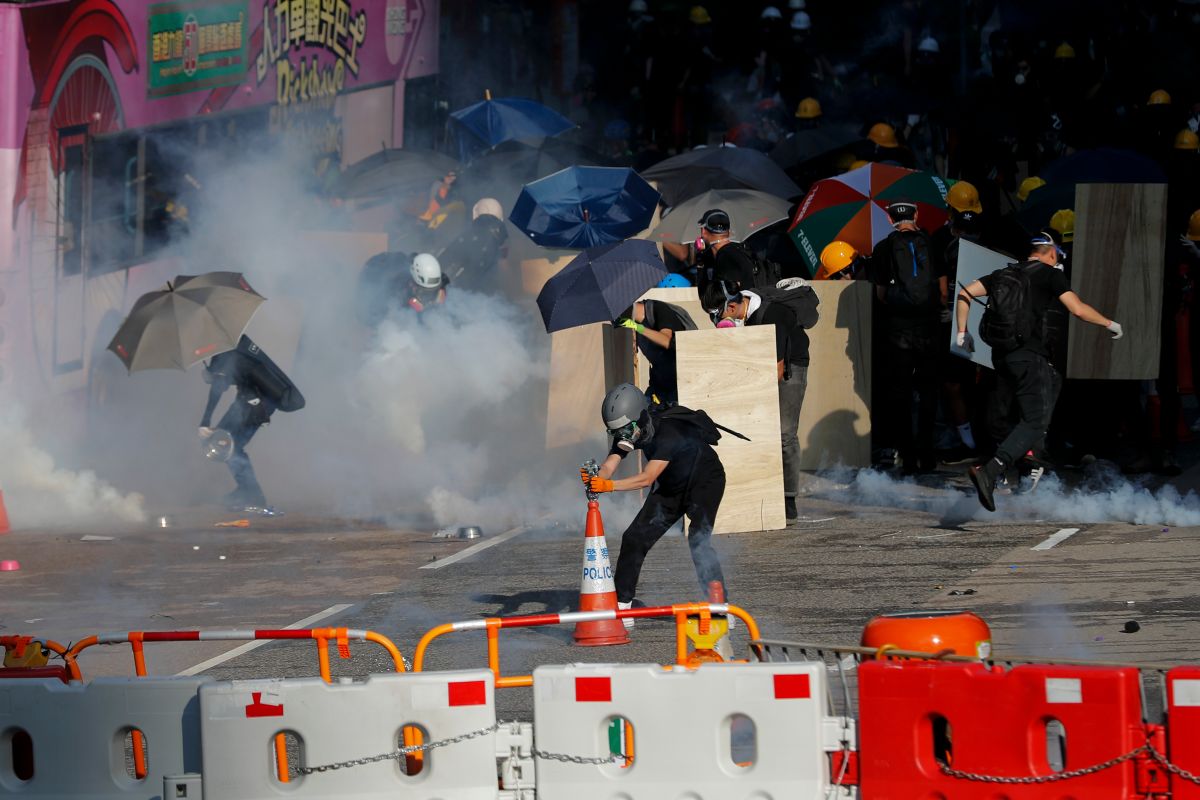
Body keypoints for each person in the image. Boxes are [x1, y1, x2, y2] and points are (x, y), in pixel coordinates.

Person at [956, 232, 1123, 511]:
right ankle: (992, 471)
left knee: (1018, 414)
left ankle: (1023, 466)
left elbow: (964, 294)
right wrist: (1109, 324)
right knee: (1035, 421)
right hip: (1029, 357)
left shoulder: (1003, 273)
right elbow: (1078, 310)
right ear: (1052, 253)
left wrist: (962, 333)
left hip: (1001, 357)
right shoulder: (1050, 275)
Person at [582, 384, 728, 623]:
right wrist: (597, 477)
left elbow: (646, 478)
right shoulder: (630, 429)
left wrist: (608, 486)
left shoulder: (669, 432)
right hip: (671, 487)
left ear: (640, 416)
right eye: (616, 432)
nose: (623, 437)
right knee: (634, 538)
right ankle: (622, 606)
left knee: (698, 540)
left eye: (625, 430)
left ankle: (721, 608)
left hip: (705, 482)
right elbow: (610, 463)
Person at [701, 278, 817, 521]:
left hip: (790, 367)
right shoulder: (746, 311)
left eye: (716, 316)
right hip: (766, 363)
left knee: (784, 433)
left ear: (732, 306)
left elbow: (777, 370)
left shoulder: (771, 315)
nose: (716, 322)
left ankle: (788, 497)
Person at [868, 200, 946, 473]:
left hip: (898, 330)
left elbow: (880, 294)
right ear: (917, 216)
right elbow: (943, 291)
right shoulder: (932, 243)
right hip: (929, 328)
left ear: (890, 220)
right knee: (928, 390)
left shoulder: (883, 248)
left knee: (900, 391)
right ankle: (928, 454)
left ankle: (908, 456)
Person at [199, 336, 304, 512]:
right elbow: (232, 376)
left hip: (256, 403)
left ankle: (252, 494)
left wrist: (205, 421)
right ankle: (248, 490)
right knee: (226, 442)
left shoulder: (222, 347)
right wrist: (212, 372)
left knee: (227, 444)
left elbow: (219, 386)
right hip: (250, 400)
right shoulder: (231, 342)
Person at [615, 299, 697, 404]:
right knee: (641, 410)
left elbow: (666, 341)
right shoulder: (636, 325)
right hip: (659, 384)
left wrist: (638, 328)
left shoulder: (659, 310)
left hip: (680, 382)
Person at [437, 198, 508, 292]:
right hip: (490, 296)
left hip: (464, 293)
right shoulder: (503, 244)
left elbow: (443, 260)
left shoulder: (470, 236)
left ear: (476, 213)